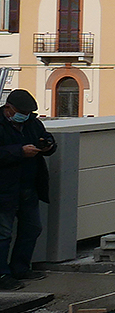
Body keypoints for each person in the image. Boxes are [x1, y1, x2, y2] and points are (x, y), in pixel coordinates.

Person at [0, 89, 57, 291]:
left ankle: (20, 268)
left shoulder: (32, 123)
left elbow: (46, 137)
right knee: (3, 233)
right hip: (4, 189)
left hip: (28, 186)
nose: (24, 115)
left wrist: (48, 145)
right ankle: (2, 275)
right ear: (9, 108)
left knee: (32, 228)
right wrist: (19, 152)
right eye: (21, 111)